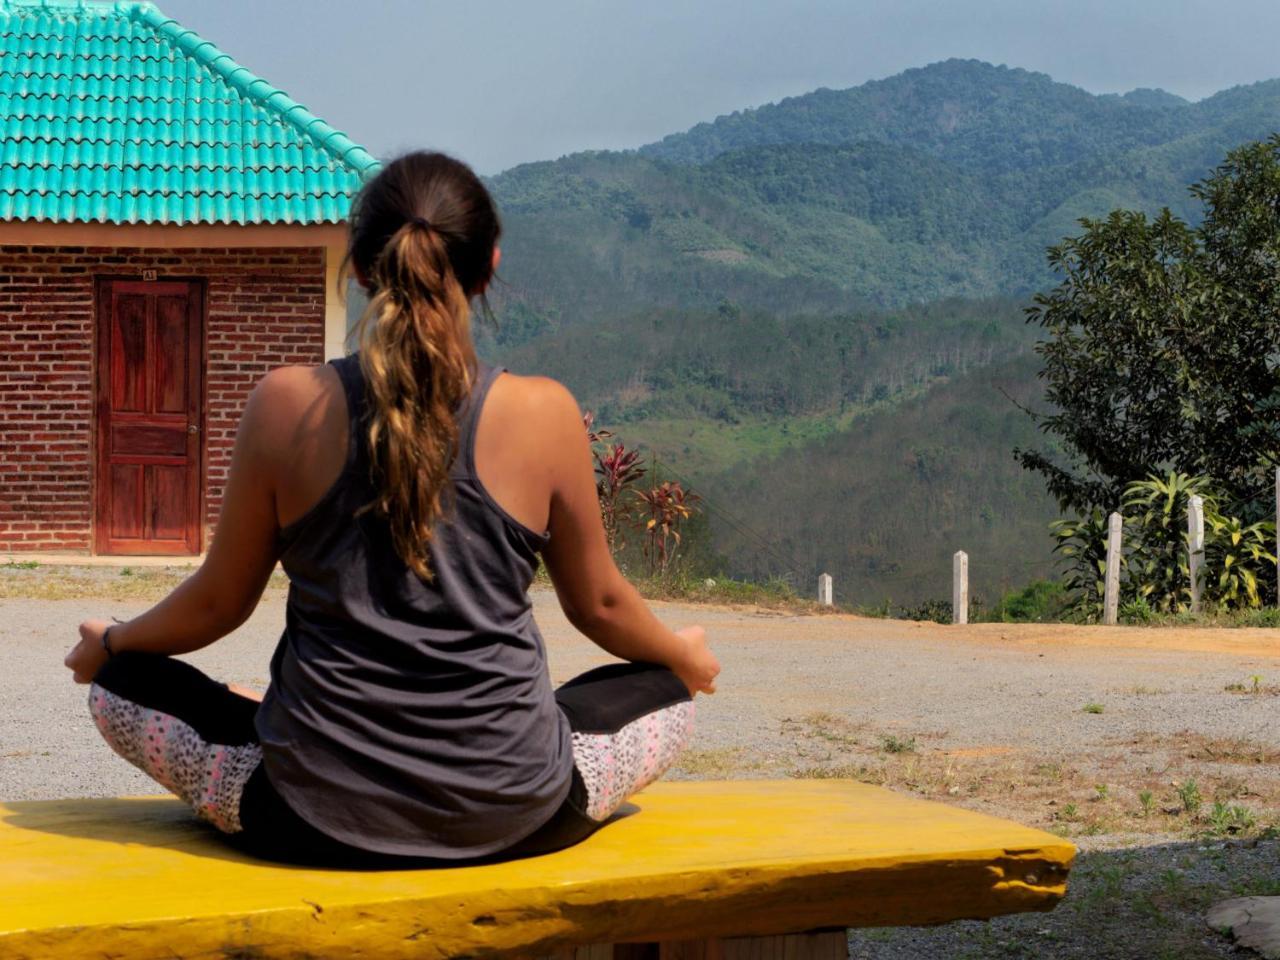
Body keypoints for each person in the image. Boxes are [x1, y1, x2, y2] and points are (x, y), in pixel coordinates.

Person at [63, 151, 720, 866]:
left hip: (305, 816)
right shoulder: (545, 412)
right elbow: (601, 607)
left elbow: (220, 603)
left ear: (360, 269)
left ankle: (252, 708)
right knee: (666, 687)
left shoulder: (285, 406)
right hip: (520, 813)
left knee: (118, 687)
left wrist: (114, 642)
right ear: (488, 267)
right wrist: (681, 656)